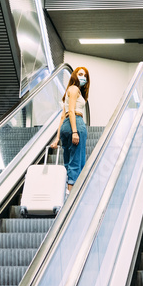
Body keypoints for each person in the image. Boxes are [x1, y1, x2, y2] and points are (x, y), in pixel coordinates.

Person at [51, 67, 90, 195]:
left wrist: (57, 139)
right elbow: (72, 111)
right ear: (74, 75)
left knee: (68, 161)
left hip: (66, 126)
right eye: (80, 74)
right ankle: (72, 195)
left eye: (85, 75)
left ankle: (67, 191)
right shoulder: (74, 89)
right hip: (76, 123)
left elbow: (63, 116)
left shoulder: (68, 91)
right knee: (76, 160)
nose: (82, 77)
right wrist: (75, 131)